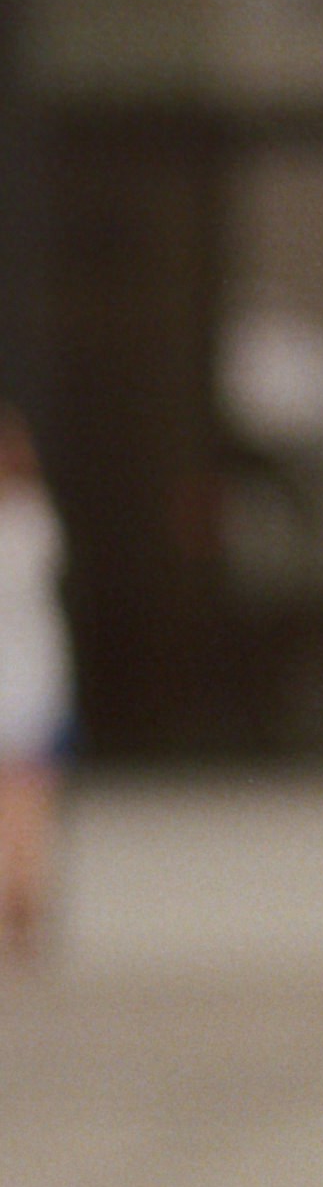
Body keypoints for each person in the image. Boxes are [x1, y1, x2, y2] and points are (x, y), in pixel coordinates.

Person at [0, 405, 66, 965]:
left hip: (24, 680)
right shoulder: (34, 522)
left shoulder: (28, 523)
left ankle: (20, 902)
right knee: (27, 800)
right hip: (29, 682)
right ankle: (22, 903)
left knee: (23, 798)